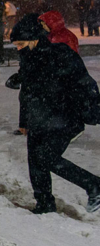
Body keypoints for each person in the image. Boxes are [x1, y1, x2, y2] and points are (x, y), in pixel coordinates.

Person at [7, 14, 100, 214]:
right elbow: (27, 94)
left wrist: (93, 110)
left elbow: (84, 83)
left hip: (64, 119)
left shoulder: (60, 54)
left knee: (45, 157)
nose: (18, 48)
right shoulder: (28, 60)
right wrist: (25, 121)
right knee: (35, 162)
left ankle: (94, 185)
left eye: (21, 43)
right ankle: (44, 205)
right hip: (38, 119)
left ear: (34, 39)